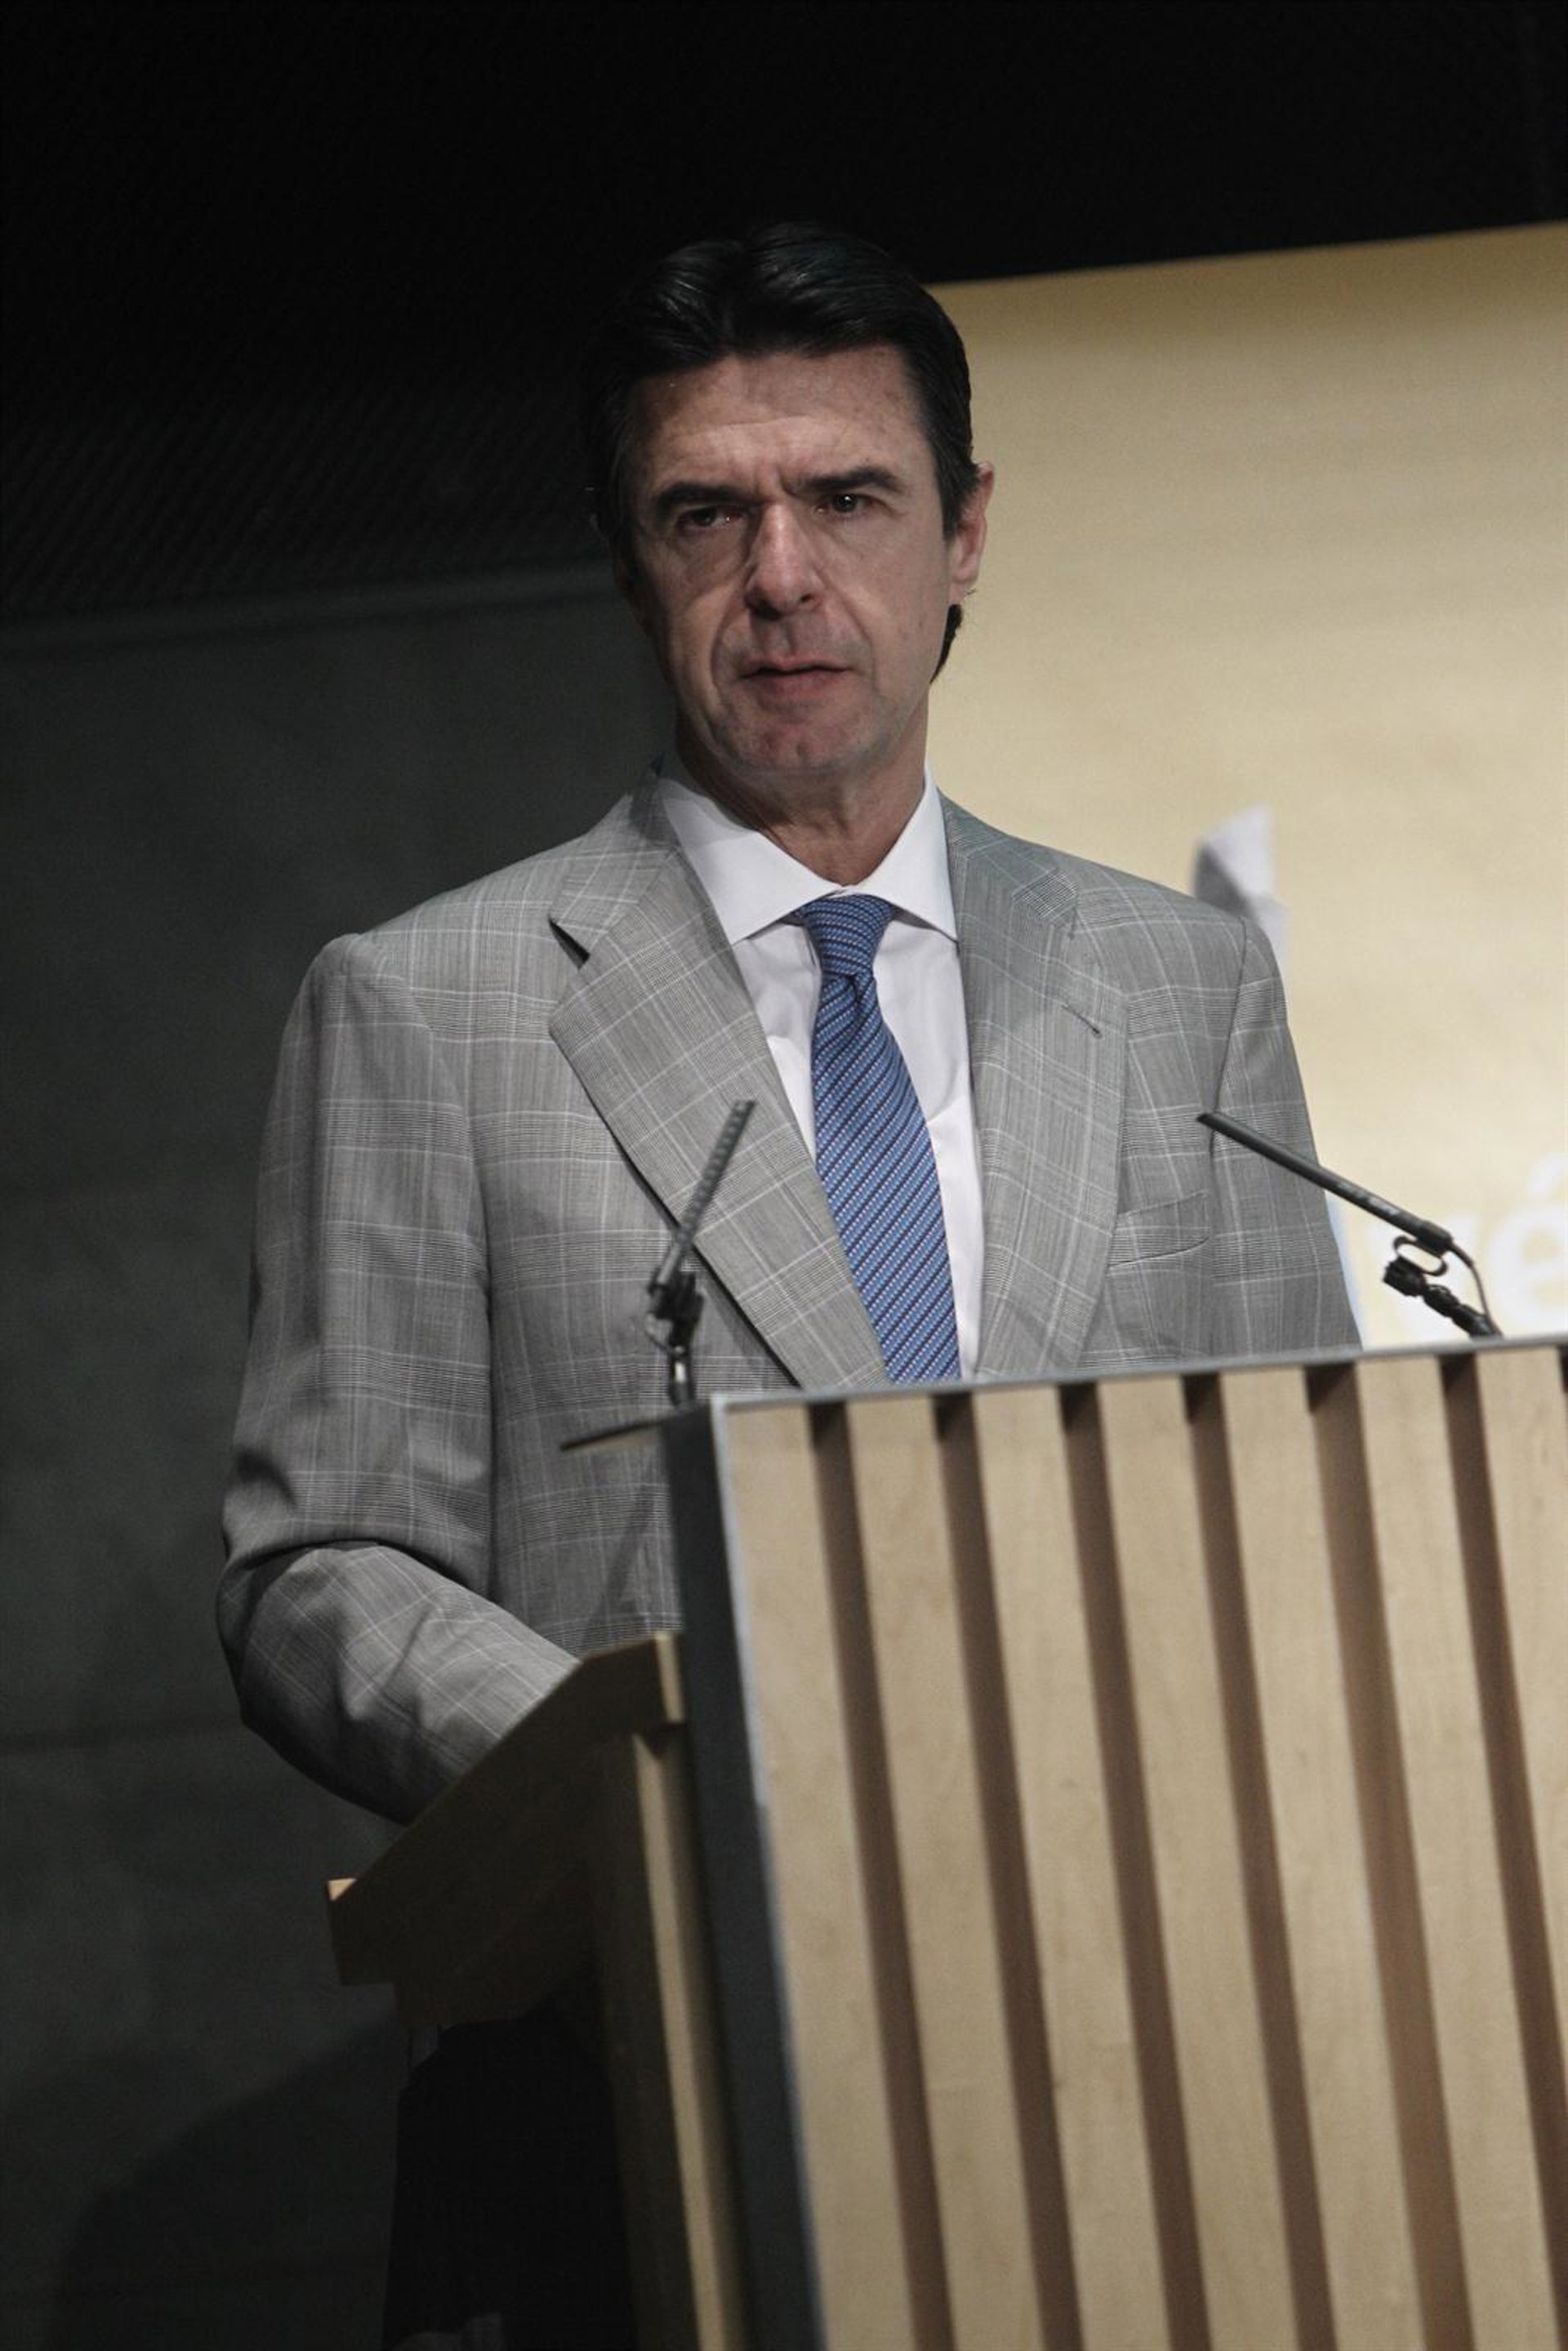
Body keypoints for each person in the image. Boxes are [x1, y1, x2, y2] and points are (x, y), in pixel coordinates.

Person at [220, 222, 1357, 2347]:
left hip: (1158, 2072)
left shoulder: (1182, 985)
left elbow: (1298, 1507)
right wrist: (653, 1768)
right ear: (626, 559)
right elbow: (319, 1573)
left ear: (964, 533)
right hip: (653, 2089)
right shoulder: (421, 1007)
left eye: (847, 498)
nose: (782, 575)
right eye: (704, 514)